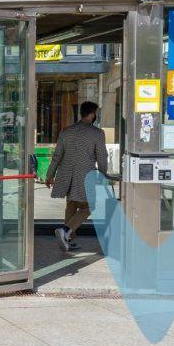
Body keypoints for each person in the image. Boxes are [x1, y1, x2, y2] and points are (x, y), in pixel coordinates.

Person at [45, 100, 109, 252]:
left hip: (67, 174)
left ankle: (68, 240)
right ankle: (66, 231)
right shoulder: (97, 133)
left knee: (72, 206)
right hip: (85, 175)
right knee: (91, 206)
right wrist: (103, 175)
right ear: (93, 114)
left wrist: (49, 175)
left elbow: (57, 155)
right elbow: (102, 157)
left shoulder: (66, 131)